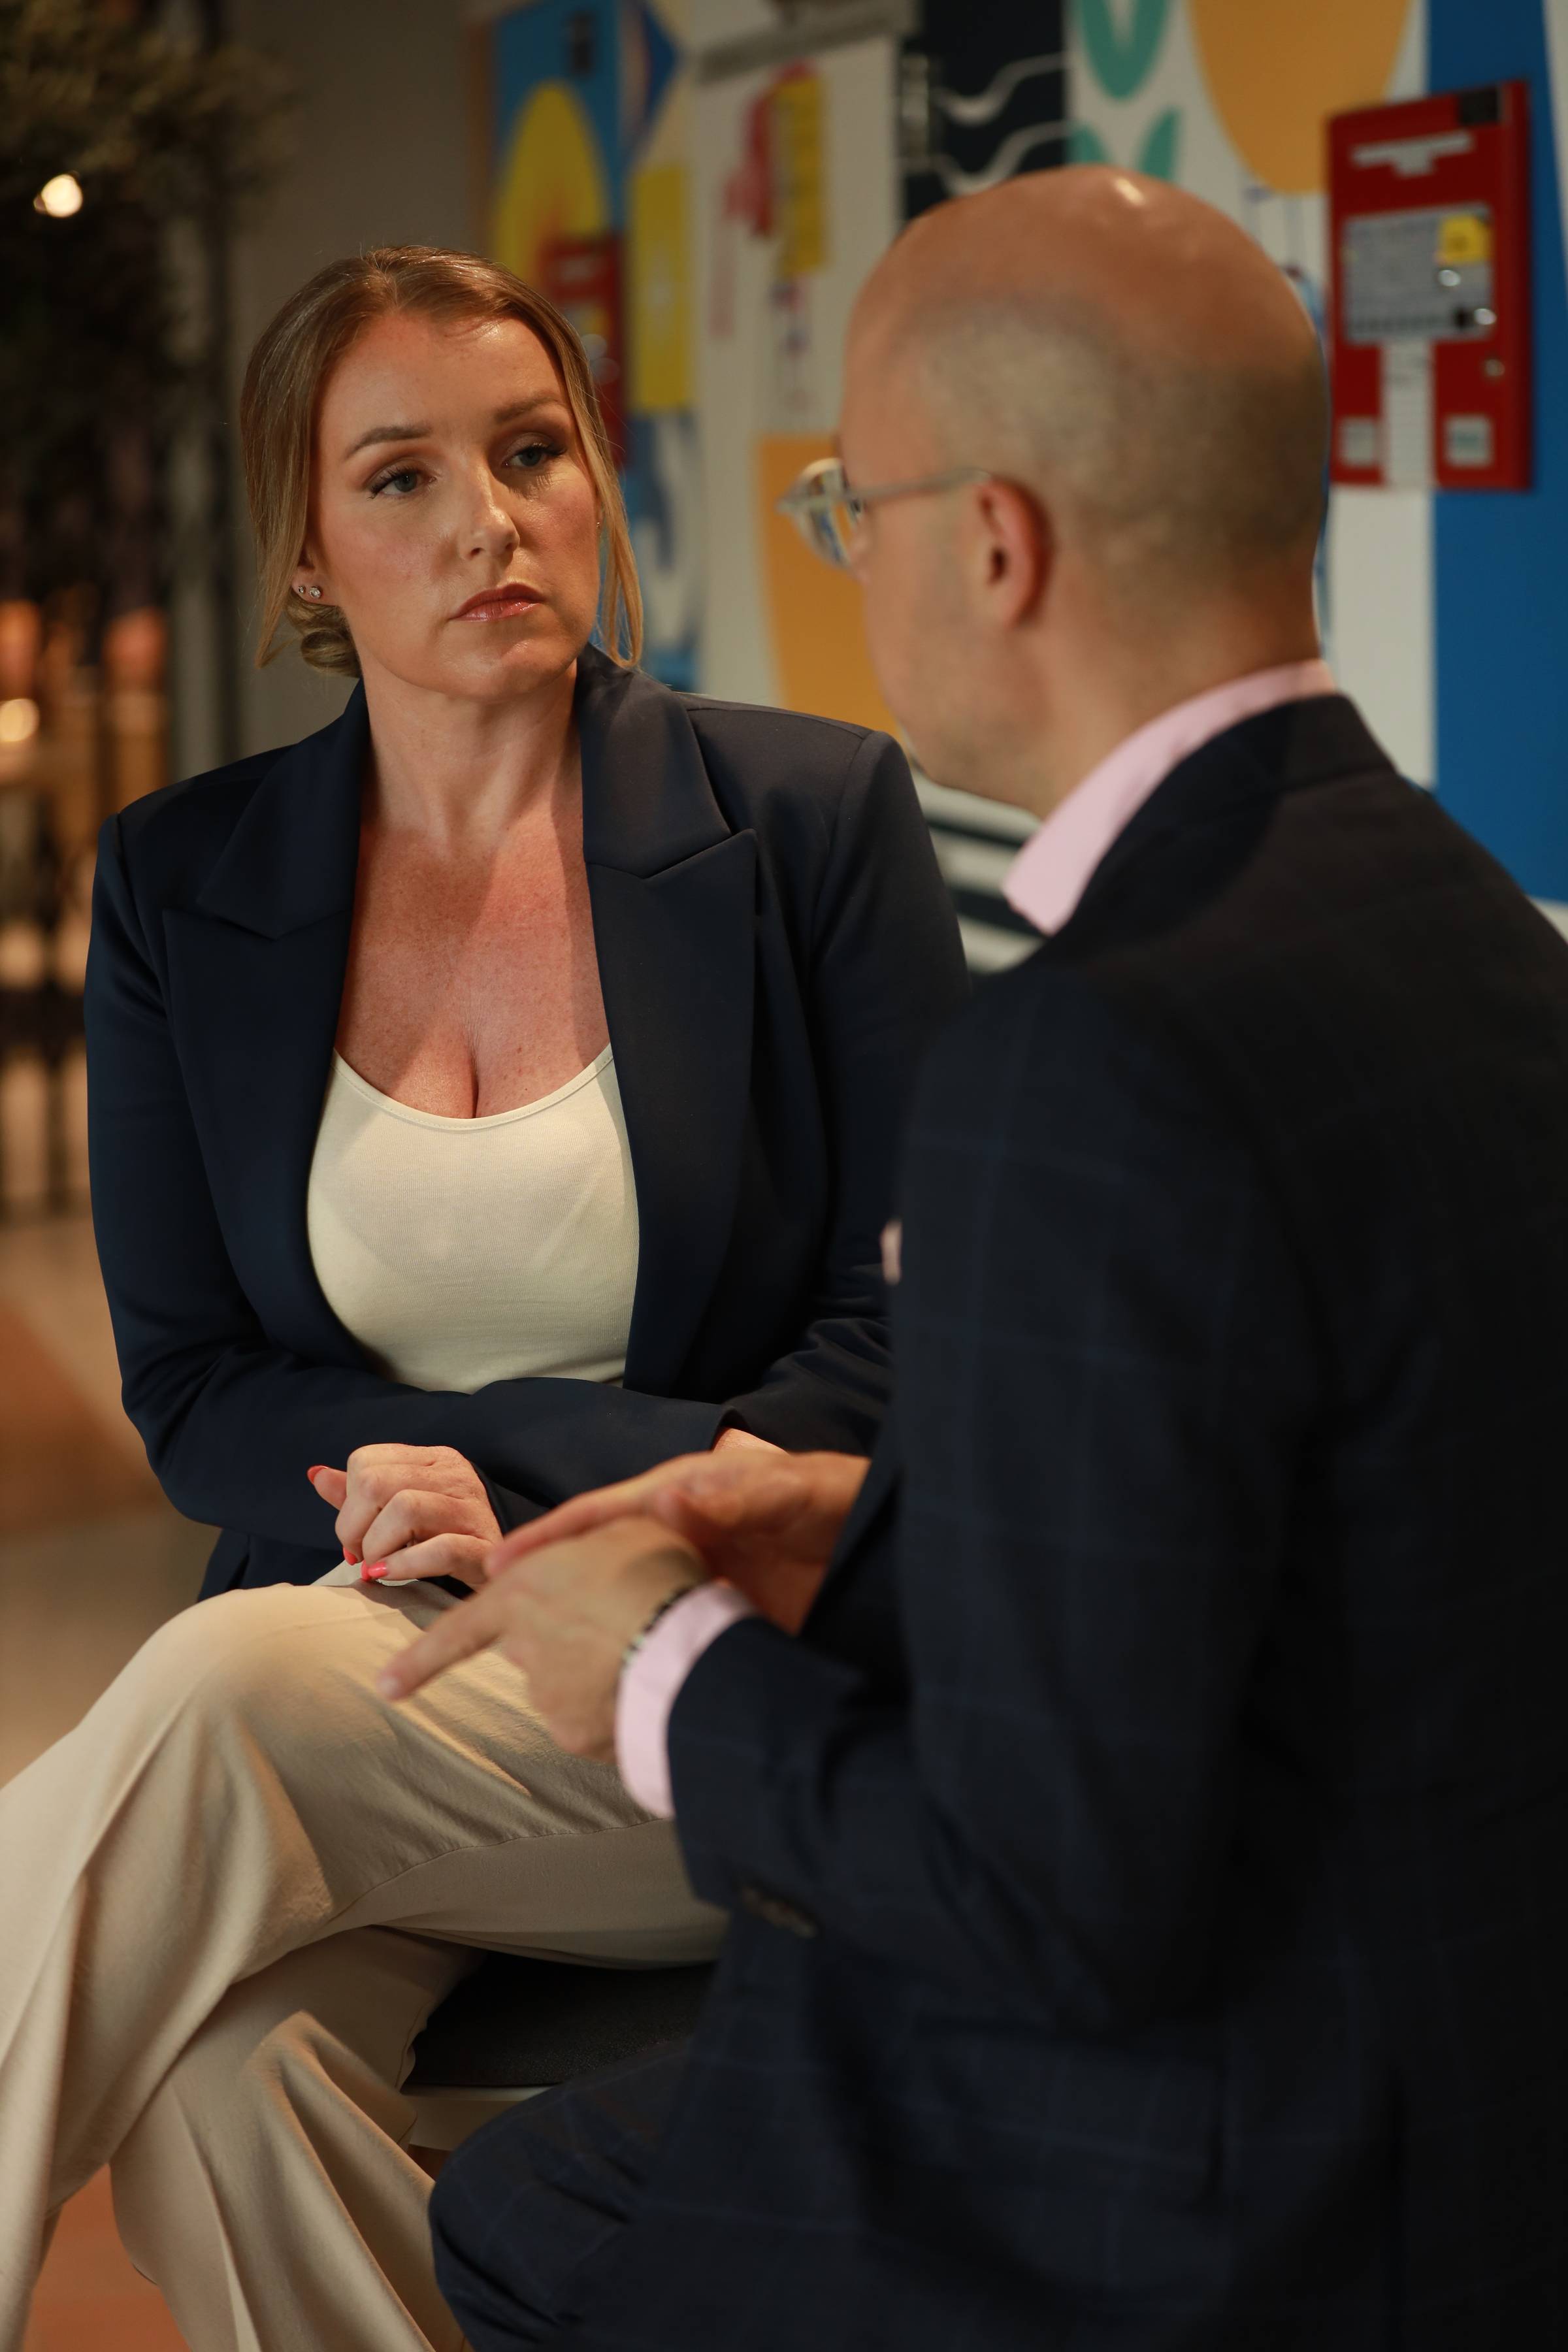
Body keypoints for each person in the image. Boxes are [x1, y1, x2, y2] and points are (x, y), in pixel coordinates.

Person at [393, 169, 1568, 2347]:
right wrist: (873, 1530)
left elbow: (1049, 1906)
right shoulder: (1478, 936)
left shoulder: (1094, 1054)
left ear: (997, 545)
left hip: (1231, 2191)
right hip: (1472, 2093)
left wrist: (657, 1668)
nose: (850, 562)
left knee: (529, 2219)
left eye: (852, 507)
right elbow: (1339, 1557)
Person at [0, 248, 967, 2352]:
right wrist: (398, 1499)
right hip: (376, 1664)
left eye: (531, 453)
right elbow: (193, 1385)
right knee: (225, 2089)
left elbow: (911, 1335)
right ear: (306, 549)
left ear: (594, 477)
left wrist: (516, 1483)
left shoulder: (811, 822)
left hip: (714, 1667)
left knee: (222, 1685)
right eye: (402, 476)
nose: (489, 522)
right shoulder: (181, 879)